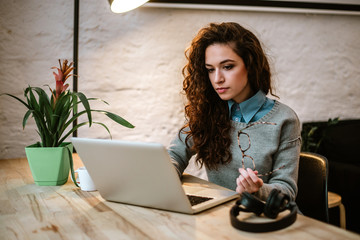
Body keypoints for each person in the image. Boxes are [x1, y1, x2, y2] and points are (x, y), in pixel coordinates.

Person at [167, 22, 301, 201]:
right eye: (210, 70)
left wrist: (257, 190)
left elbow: (287, 191)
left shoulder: (284, 119)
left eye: (228, 67)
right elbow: (175, 154)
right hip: (220, 215)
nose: (217, 79)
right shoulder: (208, 111)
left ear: (250, 65)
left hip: (265, 218)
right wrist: (165, 176)